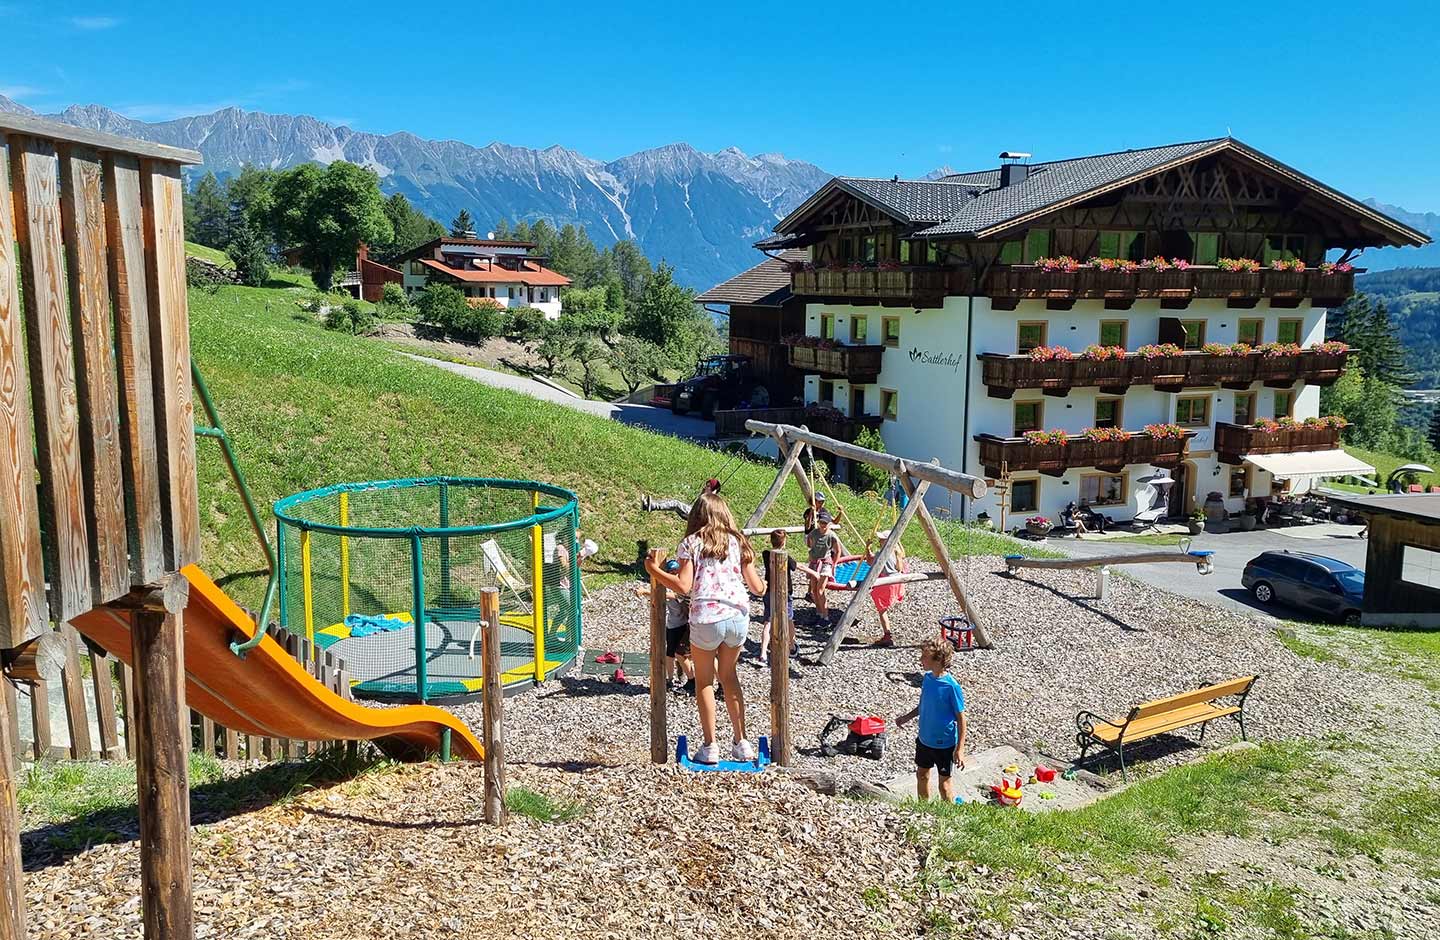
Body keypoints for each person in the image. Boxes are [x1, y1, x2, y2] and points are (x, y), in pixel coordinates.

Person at [646, 491, 767, 765]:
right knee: (729, 676)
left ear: (697, 516)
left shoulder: (691, 543)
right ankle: (741, 743)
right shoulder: (738, 542)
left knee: (704, 681)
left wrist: (654, 570)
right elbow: (757, 588)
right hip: (737, 616)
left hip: (706, 617)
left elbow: (683, 586)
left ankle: (711, 745)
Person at [895, 637, 968, 803]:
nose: (920, 660)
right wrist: (906, 718)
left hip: (944, 744)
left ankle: (948, 812)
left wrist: (960, 749)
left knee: (944, 786)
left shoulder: (951, 686)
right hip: (924, 740)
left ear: (938, 659)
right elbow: (923, 705)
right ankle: (924, 808)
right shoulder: (927, 679)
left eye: (924, 657)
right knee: (922, 775)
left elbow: (961, 718)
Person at [760, 529, 814, 666]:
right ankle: (791, 646)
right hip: (784, 592)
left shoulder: (766, 554)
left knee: (768, 622)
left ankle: (763, 653)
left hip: (769, 591)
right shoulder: (785, 556)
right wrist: (814, 573)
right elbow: (797, 566)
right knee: (789, 619)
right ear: (784, 542)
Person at [662, 560, 696, 693]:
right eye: (670, 572)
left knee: (681, 654)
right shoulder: (669, 585)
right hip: (675, 624)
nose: (673, 575)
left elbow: (674, 595)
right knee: (672, 653)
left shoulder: (684, 587)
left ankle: (692, 681)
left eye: (675, 572)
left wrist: (647, 592)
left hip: (686, 625)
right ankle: (671, 679)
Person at [805, 510, 845, 621]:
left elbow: (838, 551)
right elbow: (809, 544)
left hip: (825, 563)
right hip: (814, 562)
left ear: (829, 524)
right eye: (821, 522)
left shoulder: (831, 535)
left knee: (820, 590)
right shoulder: (814, 533)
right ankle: (819, 613)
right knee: (814, 590)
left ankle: (825, 616)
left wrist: (834, 564)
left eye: (825, 523)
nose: (823, 525)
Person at [866, 535, 906, 647]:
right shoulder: (898, 552)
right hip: (898, 582)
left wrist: (867, 548)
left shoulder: (881, 553)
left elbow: (869, 562)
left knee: (882, 609)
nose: (879, 540)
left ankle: (887, 635)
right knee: (885, 606)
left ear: (886, 541)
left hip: (886, 583)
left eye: (881, 539)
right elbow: (900, 567)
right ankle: (887, 634)